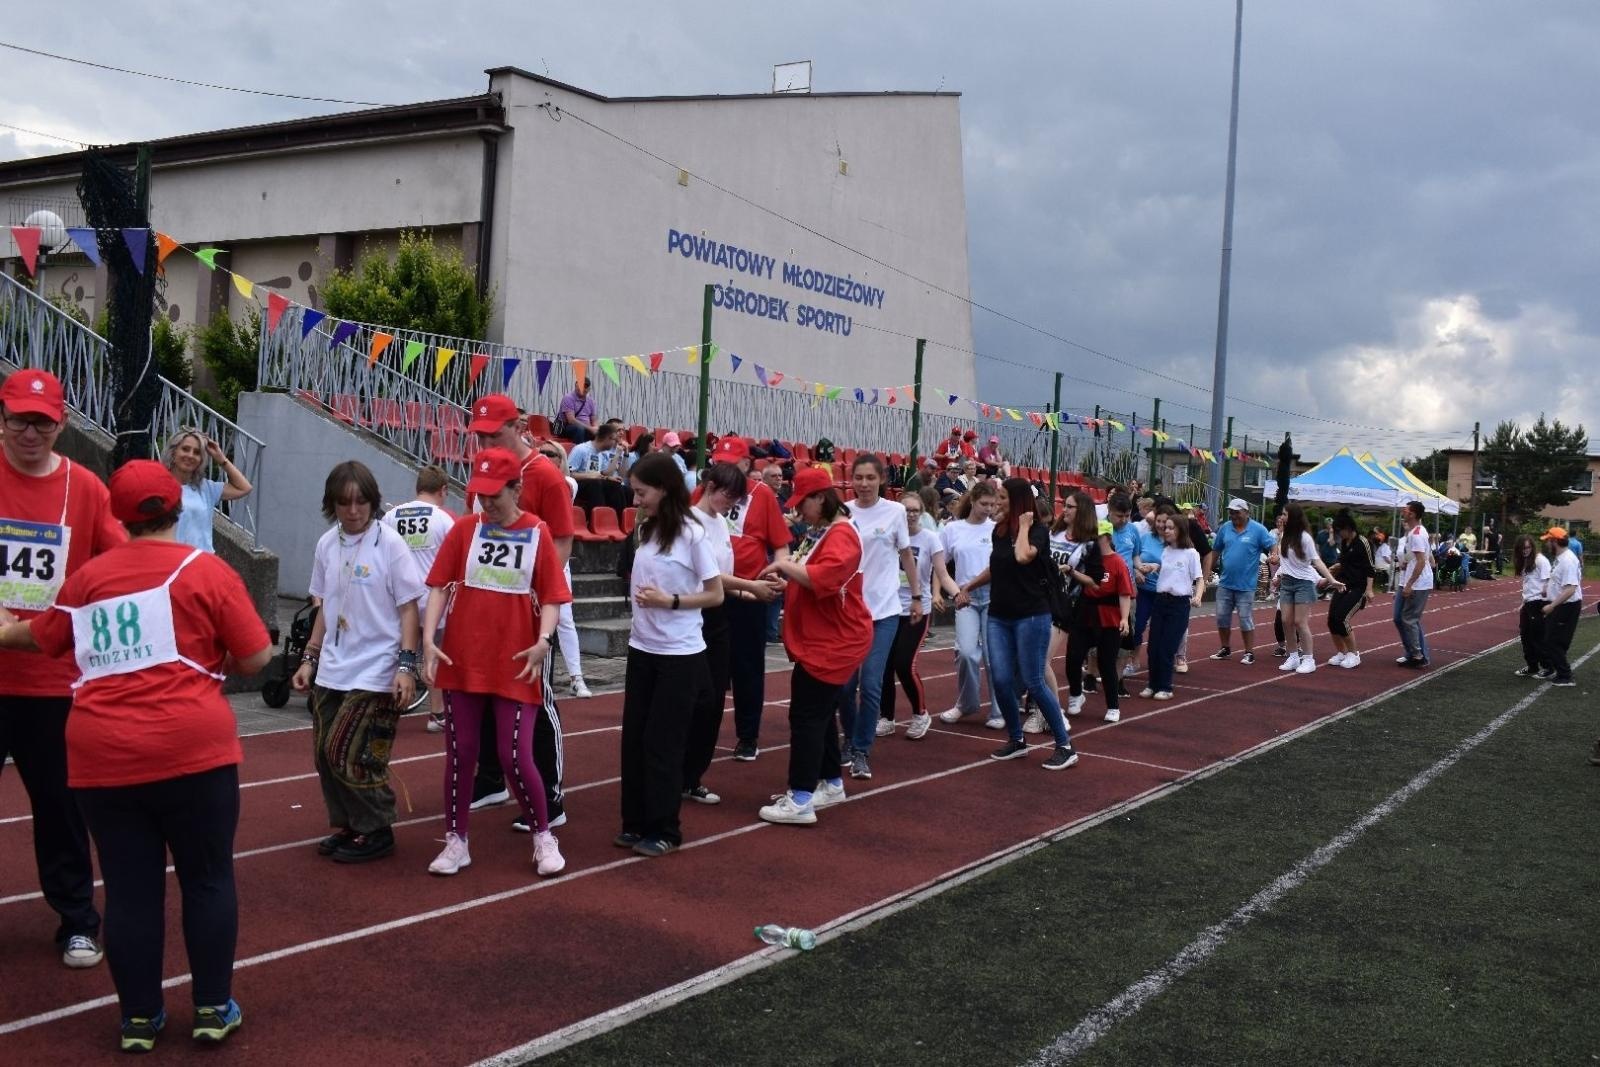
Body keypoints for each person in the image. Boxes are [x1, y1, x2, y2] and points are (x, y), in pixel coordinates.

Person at [0, 460, 271, 1052]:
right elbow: (255, 658)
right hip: (193, 749)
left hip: (104, 755)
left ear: (118, 516)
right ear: (178, 507)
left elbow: (44, 639)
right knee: (206, 878)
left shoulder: (88, 580)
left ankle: (140, 1018)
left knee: (128, 889)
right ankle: (210, 1007)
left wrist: (4, 627)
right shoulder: (210, 572)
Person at [0, 368, 122, 969]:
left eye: (42, 421)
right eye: (20, 418)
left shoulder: (89, 488)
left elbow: (120, 566)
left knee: (59, 807)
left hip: (51, 681)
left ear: (61, 424)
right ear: (2, 417)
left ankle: (77, 919)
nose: (30, 431)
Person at [420, 447, 570, 877]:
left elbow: (555, 596)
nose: (487, 503)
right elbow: (438, 586)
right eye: (481, 495)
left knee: (514, 755)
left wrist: (543, 640)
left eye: (495, 496)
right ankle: (455, 840)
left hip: (516, 662)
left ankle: (543, 834)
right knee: (461, 752)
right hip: (463, 659)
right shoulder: (465, 529)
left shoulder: (537, 532)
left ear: (517, 489)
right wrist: (429, 639)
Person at [291, 461, 424, 863]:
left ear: (372, 500)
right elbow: (324, 607)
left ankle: (378, 826)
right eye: (345, 503)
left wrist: (406, 666)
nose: (354, 511)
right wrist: (308, 658)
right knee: (323, 754)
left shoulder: (391, 544)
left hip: (377, 667)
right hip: (333, 666)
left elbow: (409, 610)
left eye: (361, 501)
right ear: (332, 504)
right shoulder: (326, 544)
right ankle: (352, 823)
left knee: (348, 750)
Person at [465, 394, 575, 826]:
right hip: (488, 602)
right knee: (487, 690)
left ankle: (551, 794)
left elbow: (563, 540)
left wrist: (540, 594)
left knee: (536, 695)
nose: (487, 442)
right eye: (481, 435)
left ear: (519, 426)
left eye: (494, 434)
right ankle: (492, 779)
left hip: (529, 608)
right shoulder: (484, 473)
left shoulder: (544, 475)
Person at [617, 452, 722, 856]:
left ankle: (664, 829)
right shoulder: (646, 529)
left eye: (642, 492)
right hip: (641, 649)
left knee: (663, 742)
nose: (636, 499)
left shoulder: (693, 534)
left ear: (663, 488)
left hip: (680, 654)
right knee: (634, 739)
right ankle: (635, 821)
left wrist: (670, 600)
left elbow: (714, 594)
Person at [757, 467, 872, 824]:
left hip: (832, 641)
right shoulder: (824, 531)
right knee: (818, 715)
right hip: (822, 637)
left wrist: (783, 566)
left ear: (820, 499)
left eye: (802, 503)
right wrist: (786, 574)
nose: (797, 511)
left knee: (806, 716)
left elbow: (820, 578)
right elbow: (806, 572)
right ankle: (830, 782)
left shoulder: (841, 535)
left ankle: (801, 797)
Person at [961, 478, 1078, 768]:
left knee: (1033, 680)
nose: (997, 503)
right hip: (1000, 616)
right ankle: (1016, 740)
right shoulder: (999, 532)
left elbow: (1023, 556)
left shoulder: (1038, 532)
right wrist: (969, 586)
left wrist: (1024, 527)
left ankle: (1065, 745)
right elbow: (996, 567)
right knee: (1000, 680)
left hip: (1032, 615)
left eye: (1002, 498)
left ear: (1017, 502)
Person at [685, 459, 782, 802]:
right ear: (711, 488)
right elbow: (707, 575)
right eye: (729, 497)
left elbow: (719, 579)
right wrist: (750, 588)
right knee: (695, 698)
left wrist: (751, 591)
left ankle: (693, 774)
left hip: (719, 613)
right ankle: (680, 772)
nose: (732, 505)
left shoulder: (718, 522)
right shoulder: (691, 523)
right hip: (694, 618)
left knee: (712, 700)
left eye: (737, 500)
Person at [836, 454, 919, 779]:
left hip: (883, 611)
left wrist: (914, 596)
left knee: (871, 685)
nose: (864, 484)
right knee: (844, 687)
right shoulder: (844, 512)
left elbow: (905, 555)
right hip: (848, 612)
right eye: (859, 477)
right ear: (851, 480)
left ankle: (861, 750)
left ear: (881, 479)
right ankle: (849, 737)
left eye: (870, 478)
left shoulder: (896, 511)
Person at [382, 464, 457, 730]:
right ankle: (437, 714)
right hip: (431, 600)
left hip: (400, 600)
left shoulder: (391, 516)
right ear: (443, 490)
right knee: (433, 655)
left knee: (397, 654)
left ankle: (387, 705)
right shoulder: (444, 519)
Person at [879, 492, 955, 740]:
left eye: (915, 510)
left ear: (921, 512)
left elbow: (942, 573)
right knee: (884, 666)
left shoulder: (930, 538)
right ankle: (886, 717)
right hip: (889, 608)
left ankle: (920, 713)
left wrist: (955, 593)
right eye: (906, 510)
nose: (910, 514)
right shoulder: (889, 535)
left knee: (904, 663)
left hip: (917, 609)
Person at [530, 441, 591, 699]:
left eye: (550, 453)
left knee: (564, 619)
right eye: (540, 452)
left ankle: (576, 678)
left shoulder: (567, 483)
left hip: (557, 557)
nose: (544, 456)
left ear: (561, 459)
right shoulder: (532, 480)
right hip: (532, 555)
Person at [940, 482, 997, 725]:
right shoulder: (953, 529)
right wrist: (942, 592)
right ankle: (966, 702)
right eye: (984, 504)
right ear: (972, 501)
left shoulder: (997, 529)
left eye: (992, 505)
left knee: (995, 657)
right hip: (965, 597)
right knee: (965, 652)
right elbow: (939, 564)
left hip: (994, 595)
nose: (988, 509)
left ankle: (999, 709)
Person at [1271, 503, 1345, 675]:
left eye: (1284, 514)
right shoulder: (1283, 536)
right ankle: (1293, 656)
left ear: (1294, 517)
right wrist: (1277, 567)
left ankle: (1309, 659)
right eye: (1282, 514)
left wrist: (1331, 580)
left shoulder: (1305, 538)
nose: (1282, 517)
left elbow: (1316, 561)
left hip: (1303, 583)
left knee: (1299, 622)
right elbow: (1286, 561)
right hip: (1287, 584)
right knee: (1285, 621)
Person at [1140, 509, 1206, 700]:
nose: (1165, 530)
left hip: (1178, 604)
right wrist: (1154, 567)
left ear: (1180, 531)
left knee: (1167, 647)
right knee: (1153, 646)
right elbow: (1166, 568)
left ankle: (1165, 686)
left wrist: (1198, 597)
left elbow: (1199, 578)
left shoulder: (1191, 553)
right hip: (1161, 601)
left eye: (1170, 528)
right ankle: (1152, 684)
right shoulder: (1166, 551)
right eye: (1165, 527)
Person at [1072, 519, 1134, 721]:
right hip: (1086, 614)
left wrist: (1124, 618)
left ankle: (1113, 706)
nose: (1093, 541)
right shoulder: (1087, 559)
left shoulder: (1117, 563)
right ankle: (1075, 694)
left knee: (1106, 663)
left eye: (1097, 537)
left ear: (1107, 538)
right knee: (1074, 656)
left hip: (1109, 618)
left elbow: (1125, 593)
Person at [162, 428, 252, 553]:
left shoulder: (206, 488)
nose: (190, 455)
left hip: (203, 563)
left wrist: (220, 458)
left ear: (201, 459)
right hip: (172, 561)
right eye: (185, 449)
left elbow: (244, 487)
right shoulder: (158, 485)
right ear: (173, 452)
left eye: (197, 452)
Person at [1209, 498, 1276, 665]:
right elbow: (1215, 550)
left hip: (1246, 585)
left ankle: (1249, 652)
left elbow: (1272, 545)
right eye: (1231, 512)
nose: (1233, 515)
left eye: (1236, 512)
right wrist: (1207, 571)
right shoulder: (1225, 528)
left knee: (1245, 618)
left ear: (1247, 512)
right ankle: (1225, 648)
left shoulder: (1258, 530)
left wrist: (1275, 555)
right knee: (1222, 618)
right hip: (1225, 583)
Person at [1325, 509, 1375, 668]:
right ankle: (1342, 652)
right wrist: (1335, 568)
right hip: (1343, 585)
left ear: (1348, 528)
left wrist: (1369, 589)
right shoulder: (1344, 543)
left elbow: (1370, 568)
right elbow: (1346, 562)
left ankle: (1354, 654)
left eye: (1341, 531)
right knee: (1332, 620)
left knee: (1342, 618)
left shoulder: (1363, 542)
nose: (1340, 535)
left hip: (1358, 588)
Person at [1539, 527, 1583, 687]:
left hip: (1566, 606)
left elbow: (1571, 588)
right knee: (1554, 640)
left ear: (1555, 542)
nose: (1546, 545)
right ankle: (1561, 671)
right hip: (1561, 605)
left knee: (1553, 641)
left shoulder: (1567, 560)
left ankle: (1565, 675)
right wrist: (1547, 589)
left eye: (1548, 541)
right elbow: (1560, 580)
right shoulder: (1561, 557)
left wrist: (1552, 605)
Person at [1393, 500, 1433, 669]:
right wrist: (1405, 565)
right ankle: (1413, 652)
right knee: (1399, 618)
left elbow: (1422, 562)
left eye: (1407, 509)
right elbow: (1416, 558)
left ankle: (1418, 655)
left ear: (1413, 514)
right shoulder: (1414, 532)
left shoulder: (1417, 534)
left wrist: (1409, 584)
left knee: (1409, 619)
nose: (1404, 511)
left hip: (1417, 583)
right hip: (1409, 580)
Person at [1510, 534, 1551, 679]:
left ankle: (1547, 666)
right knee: (1525, 634)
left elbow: (1547, 582)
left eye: (1527, 547)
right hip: (1528, 602)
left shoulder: (1541, 560)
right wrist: (1523, 603)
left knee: (1538, 636)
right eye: (1522, 548)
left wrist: (1547, 604)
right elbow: (1528, 584)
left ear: (1532, 547)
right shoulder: (1525, 561)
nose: (1525, 550)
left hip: (1538, 602)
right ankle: (1532, 665)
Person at [567, 421, 629, 513]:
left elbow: (604, 473)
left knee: (616, 486)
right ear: (608, 439)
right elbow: (569, 474)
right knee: (595, 484)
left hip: (595, 482)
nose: (615, 444)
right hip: (578, 484)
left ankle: (618, 520)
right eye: (614, 441)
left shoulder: (602, 454)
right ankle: (599, 517)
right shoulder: (581, 449)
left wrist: (607, 477)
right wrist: (593, 476)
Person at [556, 376, 598, 443]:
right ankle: (579, 450)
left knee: (604, 431)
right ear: (576, 386)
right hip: (567, 427)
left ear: (589, 389)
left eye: (585, 387)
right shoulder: (568, 398)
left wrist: (596, 428)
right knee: (580, 429)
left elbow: (594, 420)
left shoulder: (591, 401)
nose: (582, 389)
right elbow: (571, 420)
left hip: (586, 428)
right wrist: (590, 428)